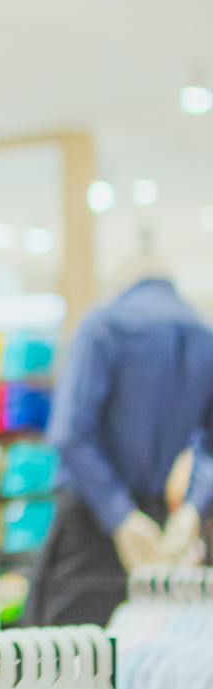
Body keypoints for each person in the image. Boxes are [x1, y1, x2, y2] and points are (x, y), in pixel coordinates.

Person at [26, 267, 213, 625]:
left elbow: (69, 432)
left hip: (93, 522)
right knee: (148, 654)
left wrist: (120, 516)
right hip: (162, 527)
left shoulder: (103, 327)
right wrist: (192, 510)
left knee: (62, 662)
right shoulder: (205, 337)